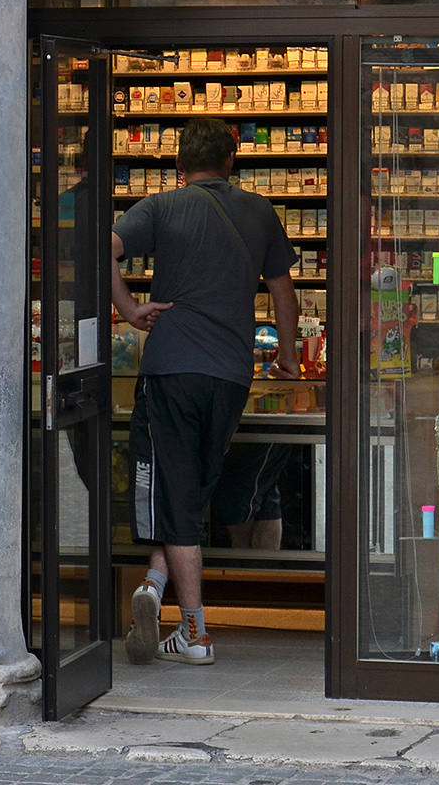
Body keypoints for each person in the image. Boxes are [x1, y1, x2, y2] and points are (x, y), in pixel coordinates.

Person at [111, 117, 299, 665]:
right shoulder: (258, 211)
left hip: (171, 368)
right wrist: (286, 358)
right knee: (188, 490)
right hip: (230, 375)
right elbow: (284, 296)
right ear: (230, 162)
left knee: (175, 489)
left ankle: (193, 630)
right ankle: (152, 586)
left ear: (177, 165)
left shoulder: (162, 206)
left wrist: (128, 309)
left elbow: (103, 245)